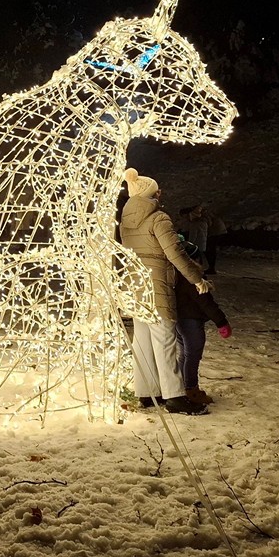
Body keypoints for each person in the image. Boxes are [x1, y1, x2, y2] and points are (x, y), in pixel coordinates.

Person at [118, 168, 213, 416]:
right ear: (151, 193)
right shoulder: (159, 218)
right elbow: (175, 253)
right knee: (165, 339)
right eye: (157, 191)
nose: (160, 195)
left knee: (142, 339)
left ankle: (147, 392)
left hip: (134, 282)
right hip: (156, 281)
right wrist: (197, 278)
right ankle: (174, 396)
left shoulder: (125, 219)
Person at [173, 239, 231, 404]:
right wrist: (221, 322)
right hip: (190, 320)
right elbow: (206, 303)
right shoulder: (192, 278)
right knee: (193, 355)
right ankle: (191, 389)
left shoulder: (177, 276)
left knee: (185, 354)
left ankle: (184, 386)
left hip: (179, 320)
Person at [204, 205, 227, 275]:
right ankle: (211, 267)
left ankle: (211, 267)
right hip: (219, 232)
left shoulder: (206, 216)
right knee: (211, 249)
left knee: (210, 249)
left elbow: (209, 225)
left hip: (215, 233)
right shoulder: (211, 215)